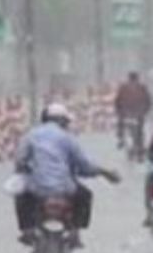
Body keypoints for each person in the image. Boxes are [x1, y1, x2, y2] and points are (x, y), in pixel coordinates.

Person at [13, 103, 121, 245]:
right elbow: (84, 165)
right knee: (85, 195)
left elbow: (20, 160)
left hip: (37, 188)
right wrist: (105, 173)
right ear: (62, 121)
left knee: (21, 196)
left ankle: (27, 231)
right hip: (64, 188)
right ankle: (75, 232)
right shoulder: (67, 138)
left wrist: (26, 169)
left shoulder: (31, 135)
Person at [114, 71, 152, 153]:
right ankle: (140, 147)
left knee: (121, 125)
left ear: (129, 78)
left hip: (125, 114)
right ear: (137, 78)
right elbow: (148, 101)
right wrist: (145, 111)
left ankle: (121, 138)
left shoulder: (123, 88)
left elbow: (117, 101)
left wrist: (119, 111)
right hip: (139, 114)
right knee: (140, 131)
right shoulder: (142, 87)